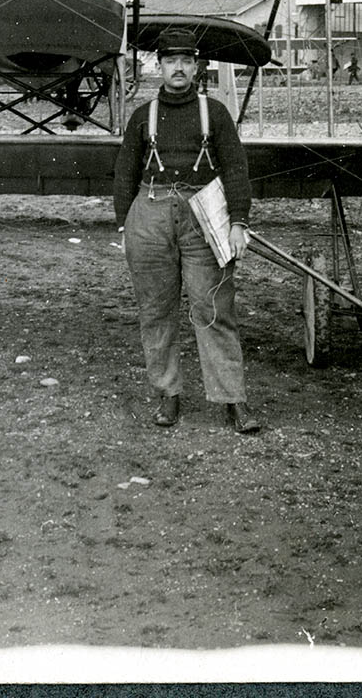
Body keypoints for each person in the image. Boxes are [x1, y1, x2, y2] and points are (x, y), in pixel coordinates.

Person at [113, 27, 259, 433]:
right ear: (158, 66)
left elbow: (236, 170)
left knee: (213, 308)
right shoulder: (143, 116)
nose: (178, 68)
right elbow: (125, 172)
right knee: (156, 311)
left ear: (196, 67)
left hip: (203, 216)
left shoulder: (215, 113)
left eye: (186, 61)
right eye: (170, 61)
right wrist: (125, 224)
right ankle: (168, 395)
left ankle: (233, 400)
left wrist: (238, 223)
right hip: (150, 214)